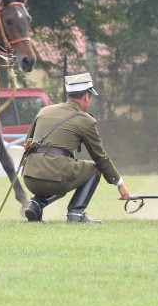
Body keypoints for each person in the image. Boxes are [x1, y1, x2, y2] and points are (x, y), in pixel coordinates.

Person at [21, 72, 130, 223]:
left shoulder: (43, 111)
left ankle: (35, 205)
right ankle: (76, 213)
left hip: (29, 178)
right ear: (86, 96)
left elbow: (28, 142)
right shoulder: (86, 120)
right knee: (94, 168)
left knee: (64, 171)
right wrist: (120, 184)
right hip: (54, 178)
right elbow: (100, 158)